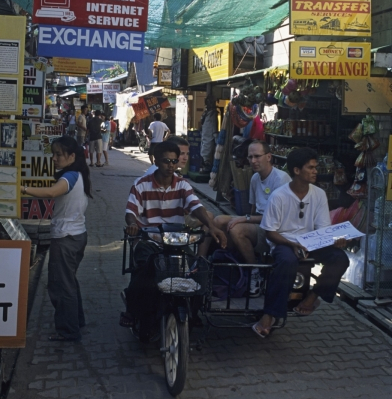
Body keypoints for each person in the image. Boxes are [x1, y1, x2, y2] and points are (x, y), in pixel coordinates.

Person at [120, 141, 227, 329]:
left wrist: (212, 226)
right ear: (155, 160)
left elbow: (196, 206)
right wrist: (132, 225)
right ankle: (132, 309)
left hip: (175, 240)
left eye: (174, 161)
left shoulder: (182, 185)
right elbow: (131, 211)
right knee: (144, 270)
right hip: (149, 239)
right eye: (165, 161)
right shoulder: (141, 185)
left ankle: (192, 312)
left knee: (196, 271)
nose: (170, 165)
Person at [253, 147, 350, 338]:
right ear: (297, 171)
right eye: (311, 167)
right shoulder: (279, 196)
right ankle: (270, 314)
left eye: (315, 167)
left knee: (340, 259)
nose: (315, 171)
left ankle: (312, 297)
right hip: (284, 243)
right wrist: (292, 244)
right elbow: (270, 231)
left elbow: (322, 227)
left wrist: (334, 239)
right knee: (287, 261)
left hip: (311, 242)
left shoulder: (319, 194)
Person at [20, 136, 92, 341]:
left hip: (66, 237)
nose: (54, 158)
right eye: (54, 154)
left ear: (71, 156)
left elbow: (52, 192)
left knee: (61, 285)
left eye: (58, 154)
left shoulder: (69, 177)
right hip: (76, 235)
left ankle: (68, 330)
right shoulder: (78, 174)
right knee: (68, 282)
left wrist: (23, 189)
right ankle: (76, 321)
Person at [211, 141, 290, 296]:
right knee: (218, 220)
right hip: (258, 222)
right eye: (250, 157)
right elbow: (253, 208)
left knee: (237, 229)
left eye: (257, 156)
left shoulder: (280, 179)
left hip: (274, 228)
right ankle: (225, 263)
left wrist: (245, 219)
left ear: (268, 157)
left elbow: (276, 218)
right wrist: (245, 218)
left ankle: (255, 271)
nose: (253, 161)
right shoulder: (254, 178)